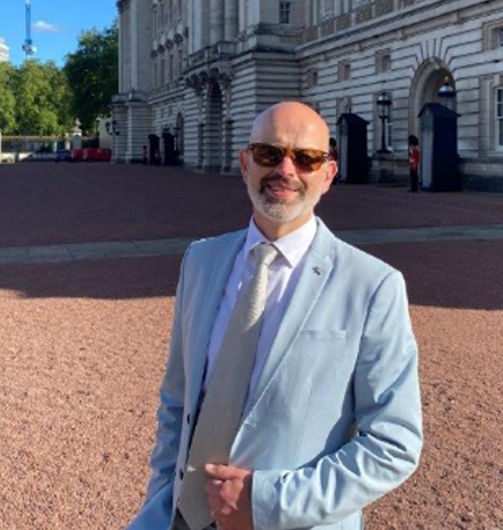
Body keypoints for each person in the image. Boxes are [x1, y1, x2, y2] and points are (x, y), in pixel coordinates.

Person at [128, 102, 422, 530]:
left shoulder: (372, 285)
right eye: (270, 154)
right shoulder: (201, 260)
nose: (286, 169)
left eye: (306, 158)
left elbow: (394, 442)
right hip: (179, 516)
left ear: (327, 175)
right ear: (245, 163)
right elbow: (178, 396)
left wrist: (268, 503)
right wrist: (162, 494)